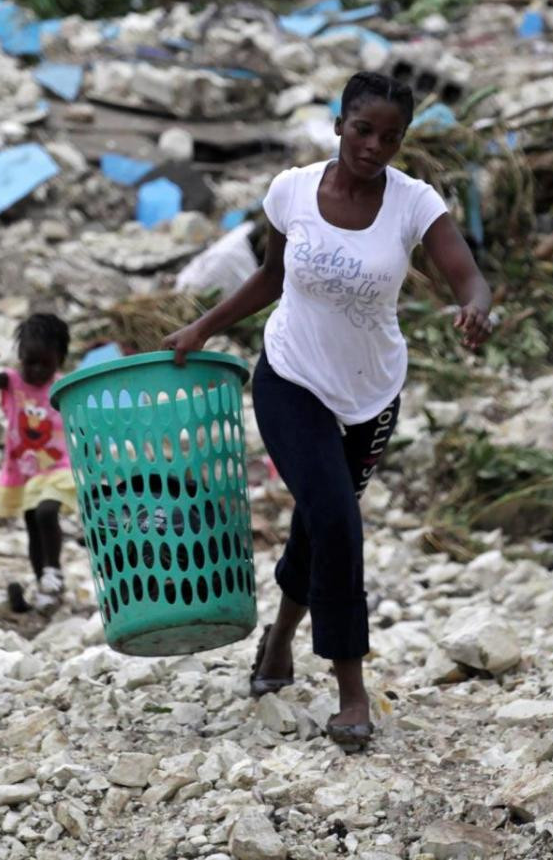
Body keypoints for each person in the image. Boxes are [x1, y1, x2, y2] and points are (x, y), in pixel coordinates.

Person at [162, 71, 493, 751]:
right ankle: (350, 687)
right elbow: (270, 277)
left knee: (322, 519)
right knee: (338, 521)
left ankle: (279, 637)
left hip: (371, 394)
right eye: (364, 129)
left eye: (391, 137)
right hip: (290, 375)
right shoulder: (291, 190)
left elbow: (466, 272)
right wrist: (202, 328)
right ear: (339, 121)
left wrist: (476, 308)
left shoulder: (414, 202)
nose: (375, 146)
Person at [0, 312, 78, 614]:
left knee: (48, 512)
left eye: (44, 364)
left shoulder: (63, 388)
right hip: (25, 471)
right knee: (33, 526)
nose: (34, 371)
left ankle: (54, 573)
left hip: (58, 468)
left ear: (60, 360)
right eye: (28, 362)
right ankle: (44, 586)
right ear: (19, 357)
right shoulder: (12, 382)